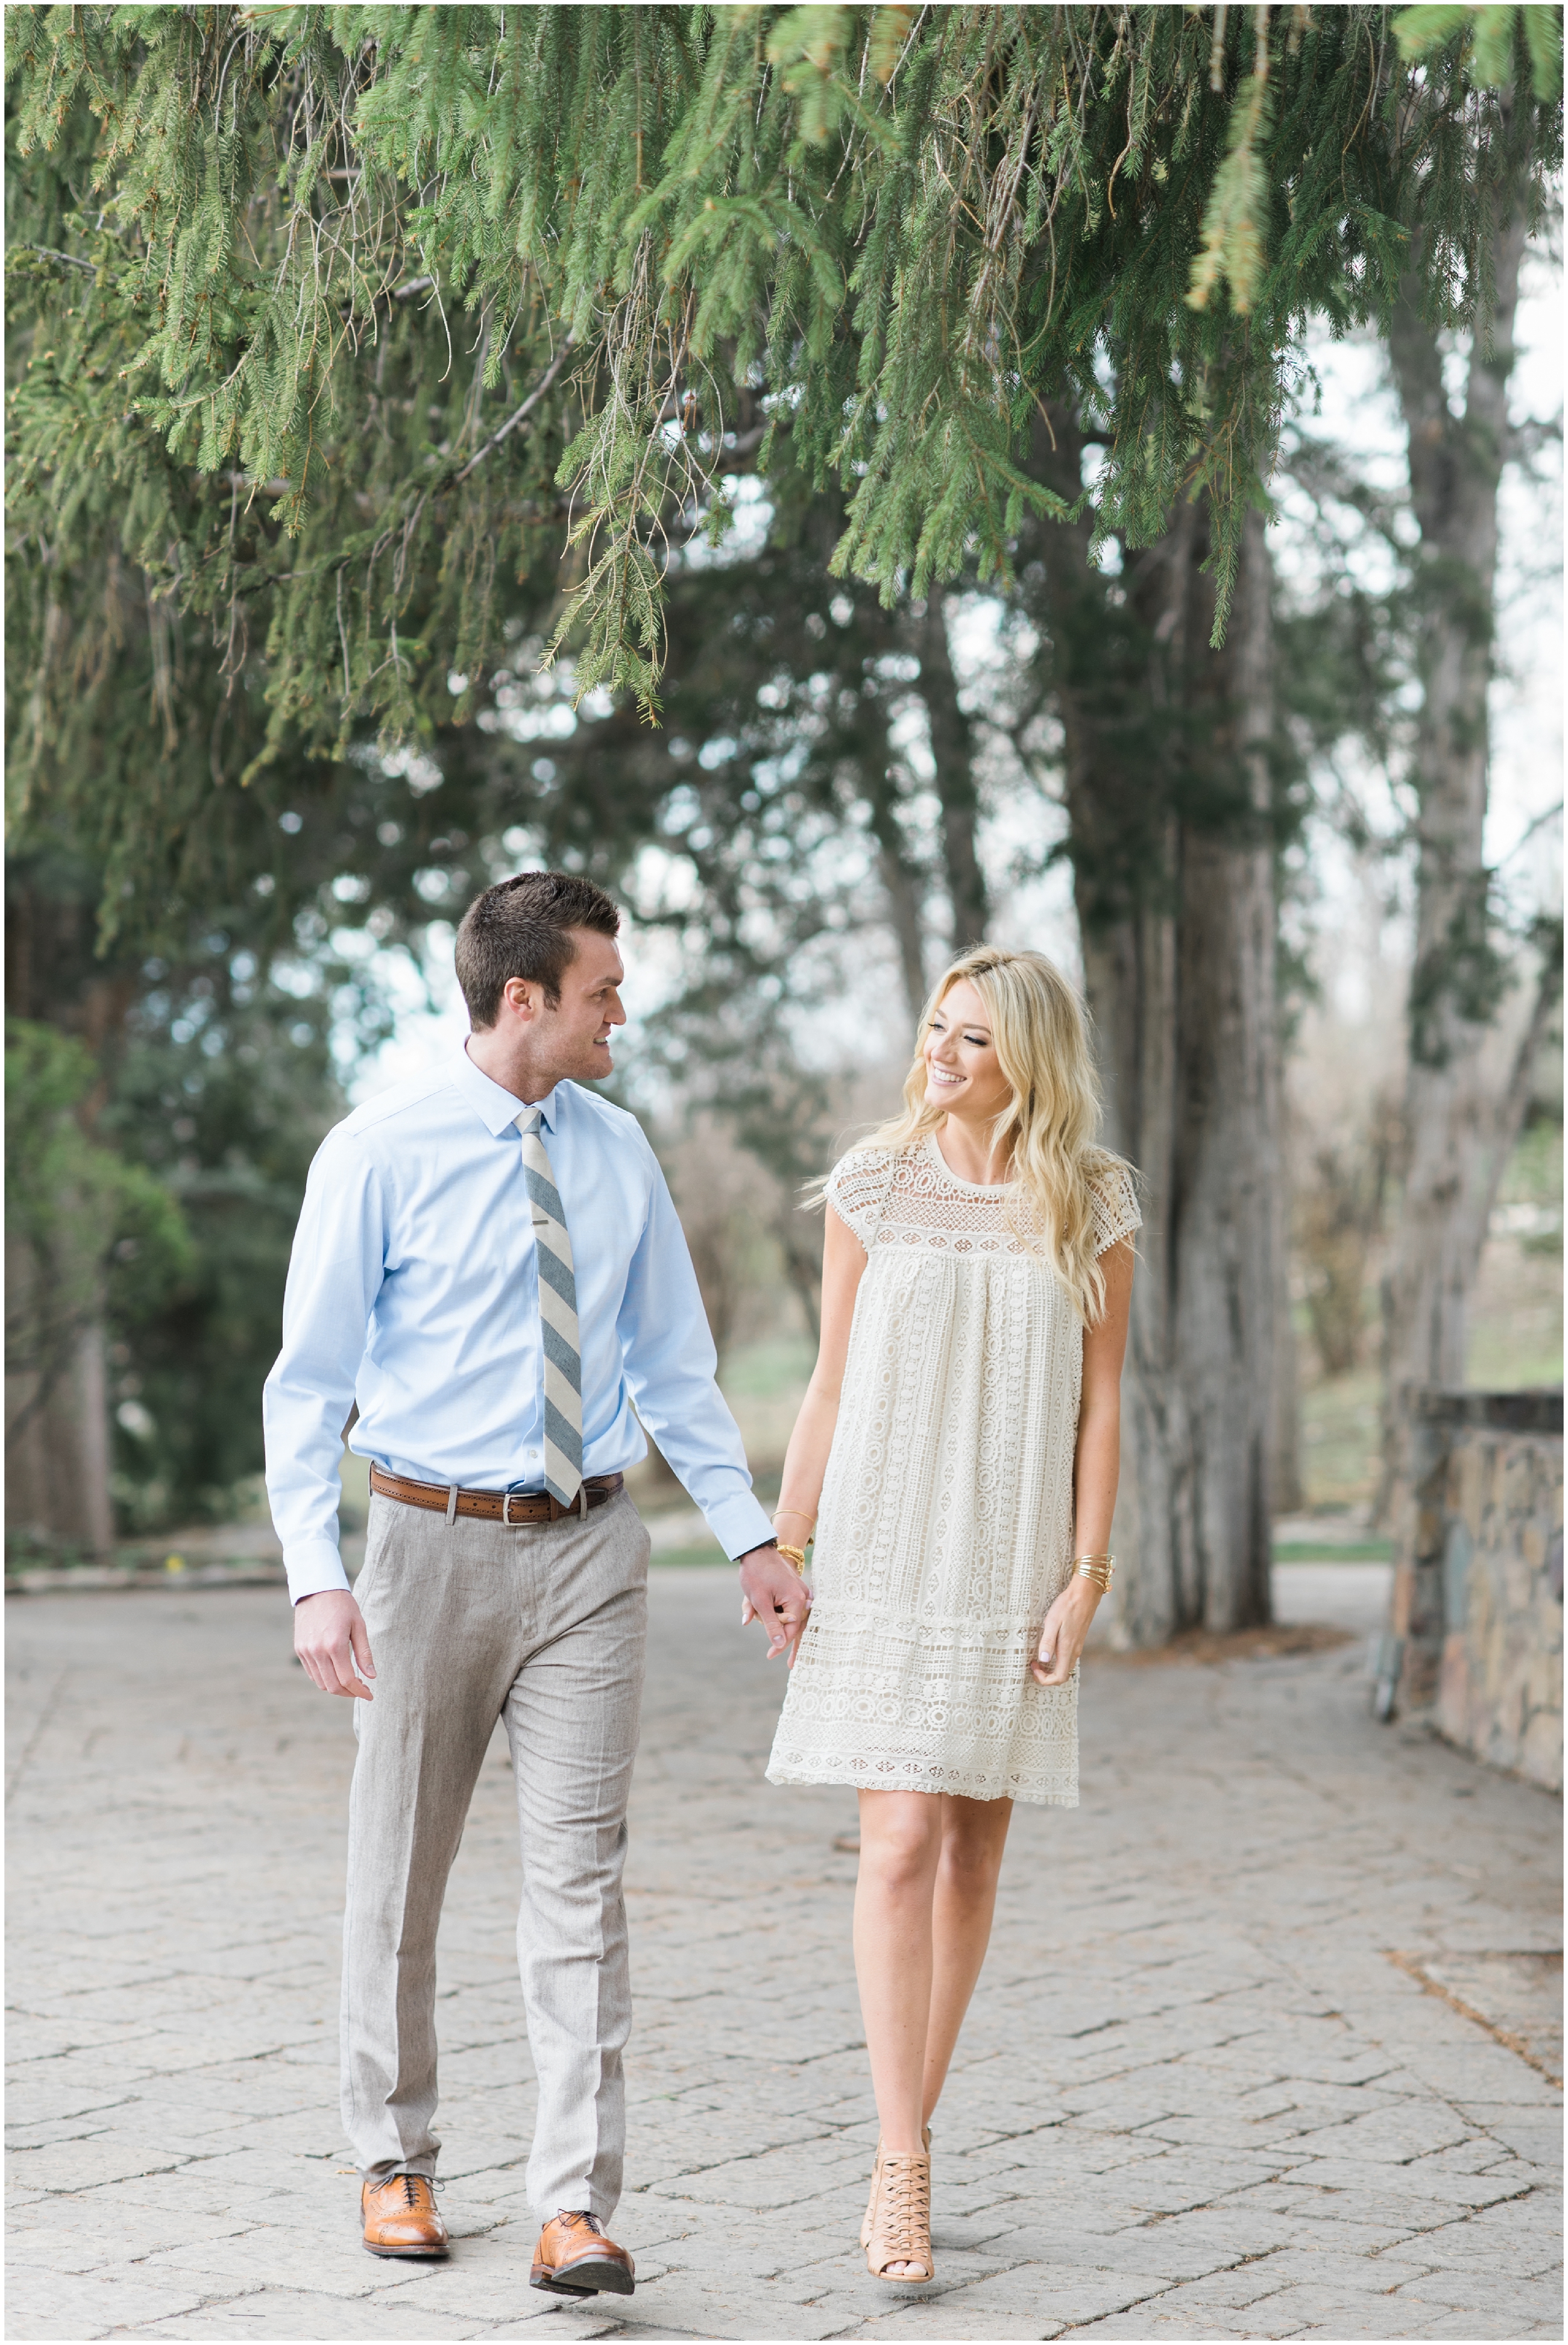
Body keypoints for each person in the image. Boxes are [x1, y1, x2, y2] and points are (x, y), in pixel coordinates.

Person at [264, 871, 806, 2293]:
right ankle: (393, 2161)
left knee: (581, 1884)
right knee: (402, 1876)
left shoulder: (619, 1151)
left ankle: (573, 2206)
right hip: (424, 1551)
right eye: (602, 993)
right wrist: (317, 1578)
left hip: (589, 1552)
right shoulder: (375, 1150)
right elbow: (306, 1385)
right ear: (525, 1000)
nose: (621, 1013)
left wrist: (750, 1539)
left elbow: (674, 1367)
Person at [759, 944, 1139, 2284]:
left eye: (971, 1040)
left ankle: (905, 2137)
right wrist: (783, 1543)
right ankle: (900, 2161)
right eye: (935, 1028)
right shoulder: (869, 1183)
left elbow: (1101, 1413)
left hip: (1008, 1560)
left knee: (975, 1851)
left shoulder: (1088, 1201)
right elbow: (823, 1385)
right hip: (880, 1548)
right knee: (900, 1838)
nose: (939, 1055)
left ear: (1024, 1060)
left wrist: (1085, 1580)